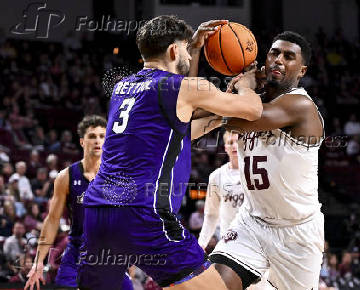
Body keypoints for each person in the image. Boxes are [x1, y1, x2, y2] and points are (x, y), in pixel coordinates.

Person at [77, 15, 262, 290]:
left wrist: (197, 50)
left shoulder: (123, 89)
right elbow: (253, 109)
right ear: (174, 51)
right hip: (143, 214)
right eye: (186, 48)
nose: (188, 54)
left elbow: (182, 125)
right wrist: (247, 84)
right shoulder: (183, 88)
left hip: (97, 213)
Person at [209, 31, 325, 290]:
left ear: (302, 70)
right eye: (274, 52)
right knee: (213, 285)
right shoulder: (253, 101)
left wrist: (245, 85)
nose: (279, 60)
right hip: (252, 222)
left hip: (297, 232)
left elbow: (233, 117)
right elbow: (228, 110)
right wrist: (241, 88)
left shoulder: (300, 106)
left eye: (288, 56)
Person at [25, 115, 133, 290]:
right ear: (82, 141)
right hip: (78, 253)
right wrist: (38, 261)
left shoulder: (119, 176)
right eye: (92, 136)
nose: (98, 141)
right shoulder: (65, 176)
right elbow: (52, 221)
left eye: (102, 136)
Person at [198, 131, 273, 290]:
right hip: (230, 242)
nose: (234, 145)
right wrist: (201, 243)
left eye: (238, 141)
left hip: (257, 242)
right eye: (230, 142)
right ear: (225, 147)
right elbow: (211, 215)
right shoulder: (216, 177)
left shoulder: (256, 171)